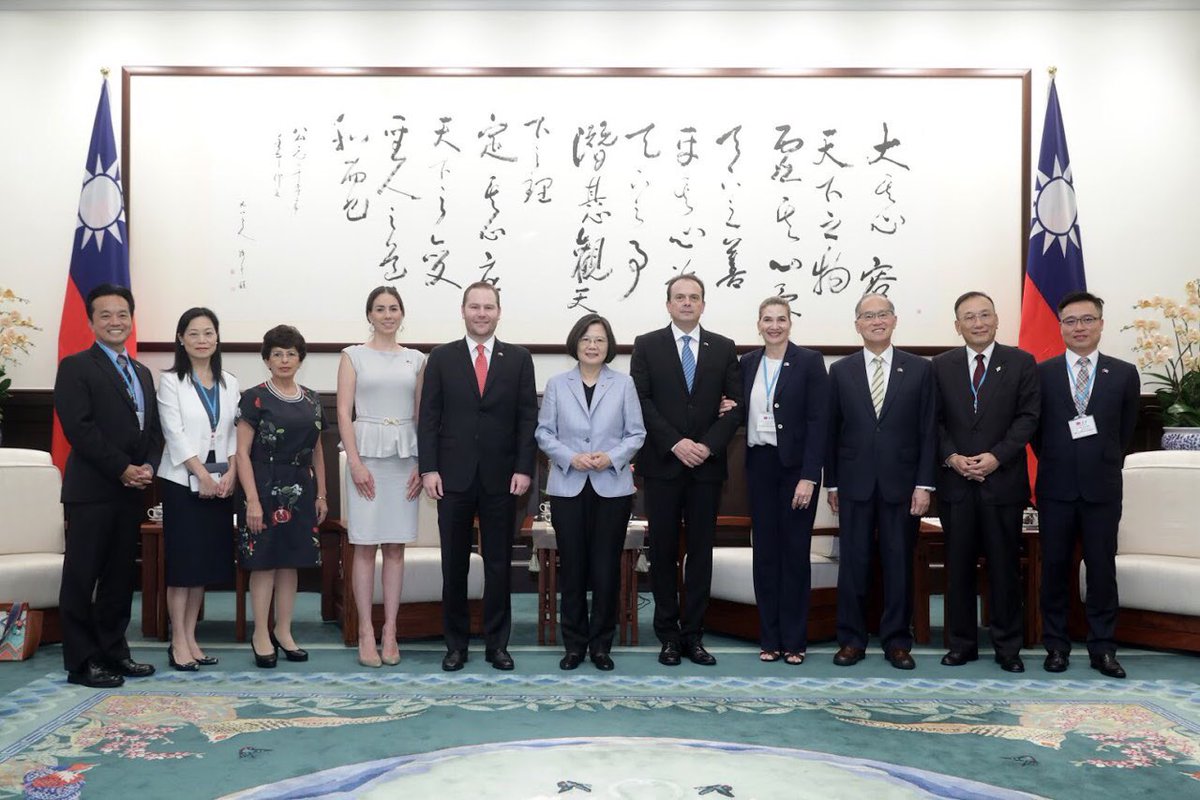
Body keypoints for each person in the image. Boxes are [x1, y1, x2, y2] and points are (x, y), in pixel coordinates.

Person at [418, 282, 538, 672]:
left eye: (489, 307)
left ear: (499, 312)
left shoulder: (519, 359)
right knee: (453, 563)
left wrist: (524, 468)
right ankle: (455, 645)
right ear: (463, 311)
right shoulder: (440, 358)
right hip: (451, 477)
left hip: (503, 479)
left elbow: (526, 419)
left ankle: (497, 643)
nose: (481, 313)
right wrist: (429, 468)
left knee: (499, 564)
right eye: (475, 306)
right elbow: (429, 418)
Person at [630, 274, 743, 667]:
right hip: (662, 464)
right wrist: (675, 442)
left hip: (706, 468)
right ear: (668, 304)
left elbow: (735, 406)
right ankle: (668, 636)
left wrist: (707, 445)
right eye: (679, 297)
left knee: (700, 554)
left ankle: (694, 635)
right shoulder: (647, 346)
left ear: (703, 304)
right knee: (661, 553)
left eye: (694, 297)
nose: (687, 303)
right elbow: (640, 401)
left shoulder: (724, 348)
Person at [54, 283, 162, 688]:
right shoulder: (76, 366)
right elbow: (79, 430)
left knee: (119, 578)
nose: (115, 321)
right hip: (92, 491)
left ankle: (114, 652)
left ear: (131, 319)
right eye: (106, 315)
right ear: (91, 321)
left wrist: (147, 466)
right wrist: (122, 468)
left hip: (131, 491)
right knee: (82, 577)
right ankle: (82, 662)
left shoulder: (142, 372)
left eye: (122, 314)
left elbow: (151, 430)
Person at [826, 292, 936, 670]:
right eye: (868, 316)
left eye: (883, 314)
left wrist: (925, 484)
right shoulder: (840, 371)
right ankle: (851, 640)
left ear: (894, 319)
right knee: (853, 564)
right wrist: (833, 484)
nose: (876, 321)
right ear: (857, 324)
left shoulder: (920, 369)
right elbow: (831, 432)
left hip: (902, 485)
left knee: (898, 563)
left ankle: (896, 641)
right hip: (854, 483)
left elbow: (928, 432)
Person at [1033, 290, 1139, 679]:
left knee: (1101, 571)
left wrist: (1097, 460)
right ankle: (1057, 646)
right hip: (1056, 488)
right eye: (1071, 321)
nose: (1080, 328)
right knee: (1055, 570)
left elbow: (1124, 430)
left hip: (1102, 489)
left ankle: (1103, 648)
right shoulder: (1041, 373)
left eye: (1087, 319)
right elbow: (1037, 435)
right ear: (1060, 326)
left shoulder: (1124, 373)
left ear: (1100, 324)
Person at [932, 291, 1039, 673]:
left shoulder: (1021, 362)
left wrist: (996, 457)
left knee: (1004, 567)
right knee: (957, 567)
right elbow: (935, 421)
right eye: (969, 317)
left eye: (984, 315)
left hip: (1003, 483)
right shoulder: (940, 366)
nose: (977, 323)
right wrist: (952, 457)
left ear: (997, 320)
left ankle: (1007, 647)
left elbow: (1028, 418)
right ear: (957, 325)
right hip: (956, 483)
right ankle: (961, 644)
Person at [535, 313, 646, 671]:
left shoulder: (624, 384)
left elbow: (636, 434)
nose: (593, 346)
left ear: (609, 345)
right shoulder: (556, 384)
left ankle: (601, 645)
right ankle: (574, 645)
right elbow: (544, 434)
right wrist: (572, 457)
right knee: (574, 569)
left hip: (611, 487)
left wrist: (610, 458)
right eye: (586, 339)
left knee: (604, 569)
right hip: (569, 485)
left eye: (599, 339)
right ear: (575, 344)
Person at [336, 286, 425, 668]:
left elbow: (423, 416)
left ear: (402, 314)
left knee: (395, 547)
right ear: (369, 315)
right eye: (380, 309)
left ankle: (390, 630)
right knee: (364, 545)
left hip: (404, 458)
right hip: (366, 458)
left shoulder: (417, 360)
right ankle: (365, 632)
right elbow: (342, 412)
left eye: (393, 308)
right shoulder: (352, 356)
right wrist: (354, 462)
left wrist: (423, 463)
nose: (387, 315)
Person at [739, 296, 829, 666]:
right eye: (767, 319)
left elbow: (818, 424)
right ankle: (769, 638)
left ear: (790, 323)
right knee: (766, 555)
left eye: (781, 319)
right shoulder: (745, 363)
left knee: (794, 555)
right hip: (759, 466)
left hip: (796, 471)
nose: (774, 326)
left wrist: (809, 476)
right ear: (757, 325)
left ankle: (795, 640)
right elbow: (736, 406)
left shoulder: (809, 362)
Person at [235, 325, 328, 668]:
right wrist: (253, 500)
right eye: (277, 354)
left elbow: (318, 450)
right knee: (264, 562)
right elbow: (242, 453)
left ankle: (284, 630)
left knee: (291, 561)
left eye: (290, 353)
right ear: (266, 359)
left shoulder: (312, 399)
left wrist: (322, 493)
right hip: (263, 484)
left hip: (300, 487)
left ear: (300, 359)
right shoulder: (255, 397)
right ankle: (261, 633)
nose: (284, 360)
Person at [156, 307, 240, 671]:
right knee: (183, 565)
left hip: (221, 482)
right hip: (181, 482)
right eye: (194, 333)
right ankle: (178, 642)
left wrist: (232, 472)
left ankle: (192, 637)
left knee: (203, 565)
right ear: (181, 339)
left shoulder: (230, 382)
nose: (202, 340)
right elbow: (173, 432)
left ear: (217, 338)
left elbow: (235, 433)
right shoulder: (170, 381)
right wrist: (200, 473)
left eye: (208, 333)